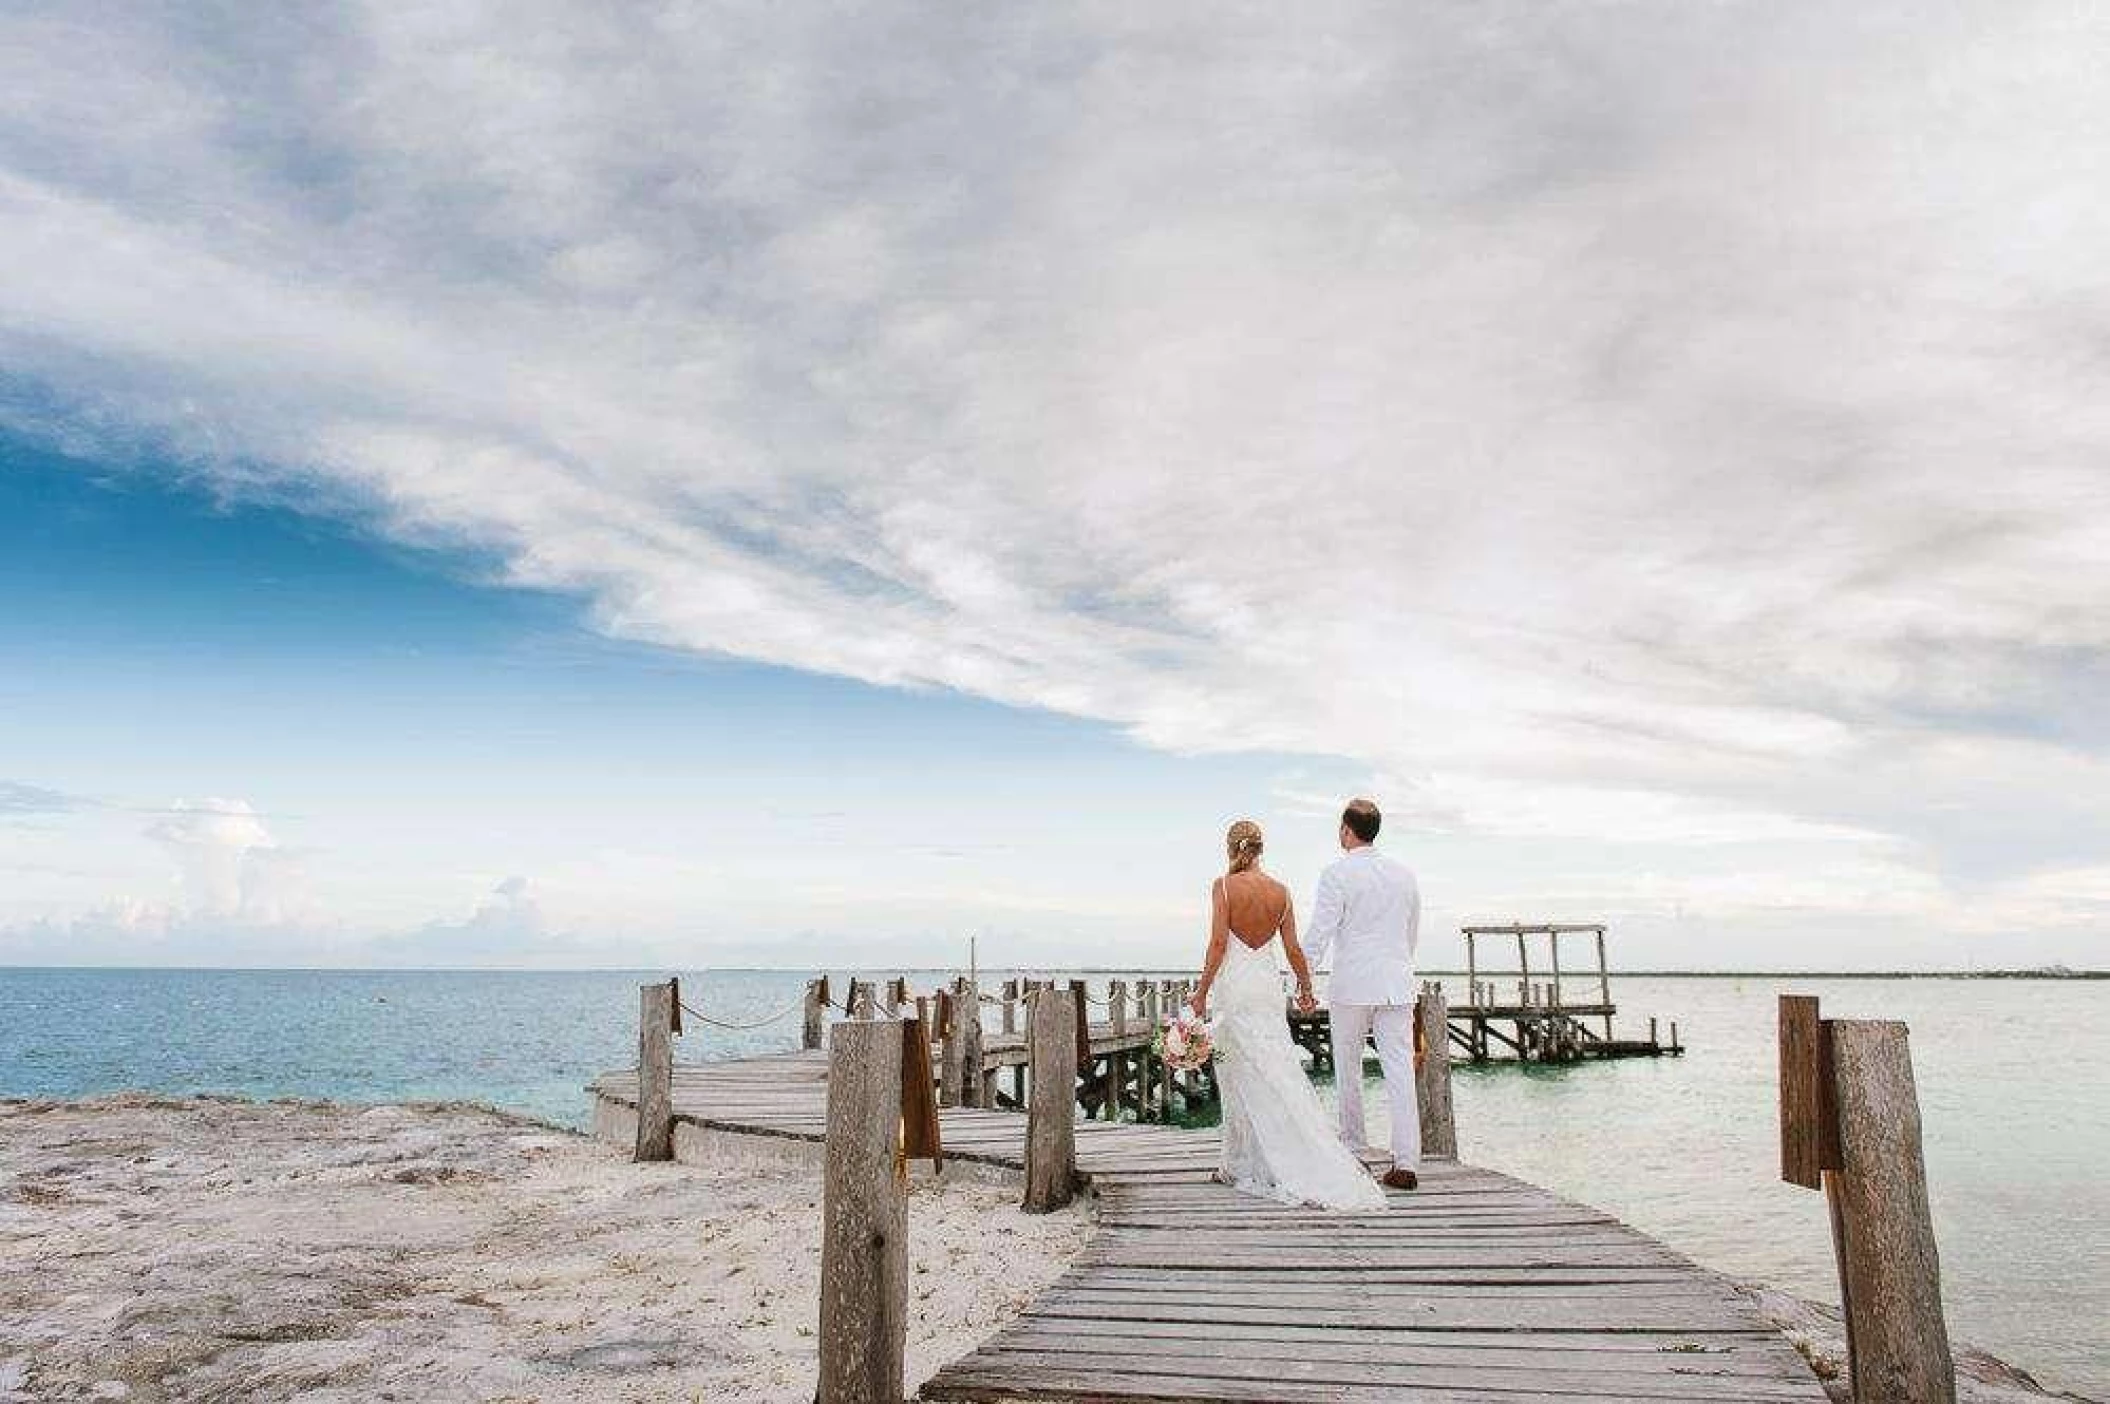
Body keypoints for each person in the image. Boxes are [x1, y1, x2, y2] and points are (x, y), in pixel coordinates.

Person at [1188, 819, 1386, 1209]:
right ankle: (1266, 1156)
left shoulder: (1224, 886)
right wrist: (1306, 987)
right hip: (1265, 988)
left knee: (1238, 1075)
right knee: (1278, 1069)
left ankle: (1239, 1163)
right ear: (1261, 849)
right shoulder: (1281, 892)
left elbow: (1216, 945)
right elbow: (1294, 949)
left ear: (1231, 848)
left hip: (1236, 988)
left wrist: (1201, 992)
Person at [1303, 797, 1423, 1190]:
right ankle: (1406, 1163)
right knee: (1400, 1072)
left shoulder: (1336, 874)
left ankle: (1354, 1152)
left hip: (1353, 984)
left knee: (1349, 1069)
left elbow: (1320, 933)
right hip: (1397, 982)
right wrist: (1398, 966)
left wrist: (1302, 981)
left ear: (1346, 830)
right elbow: (1410, 932)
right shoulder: (1405, 874)